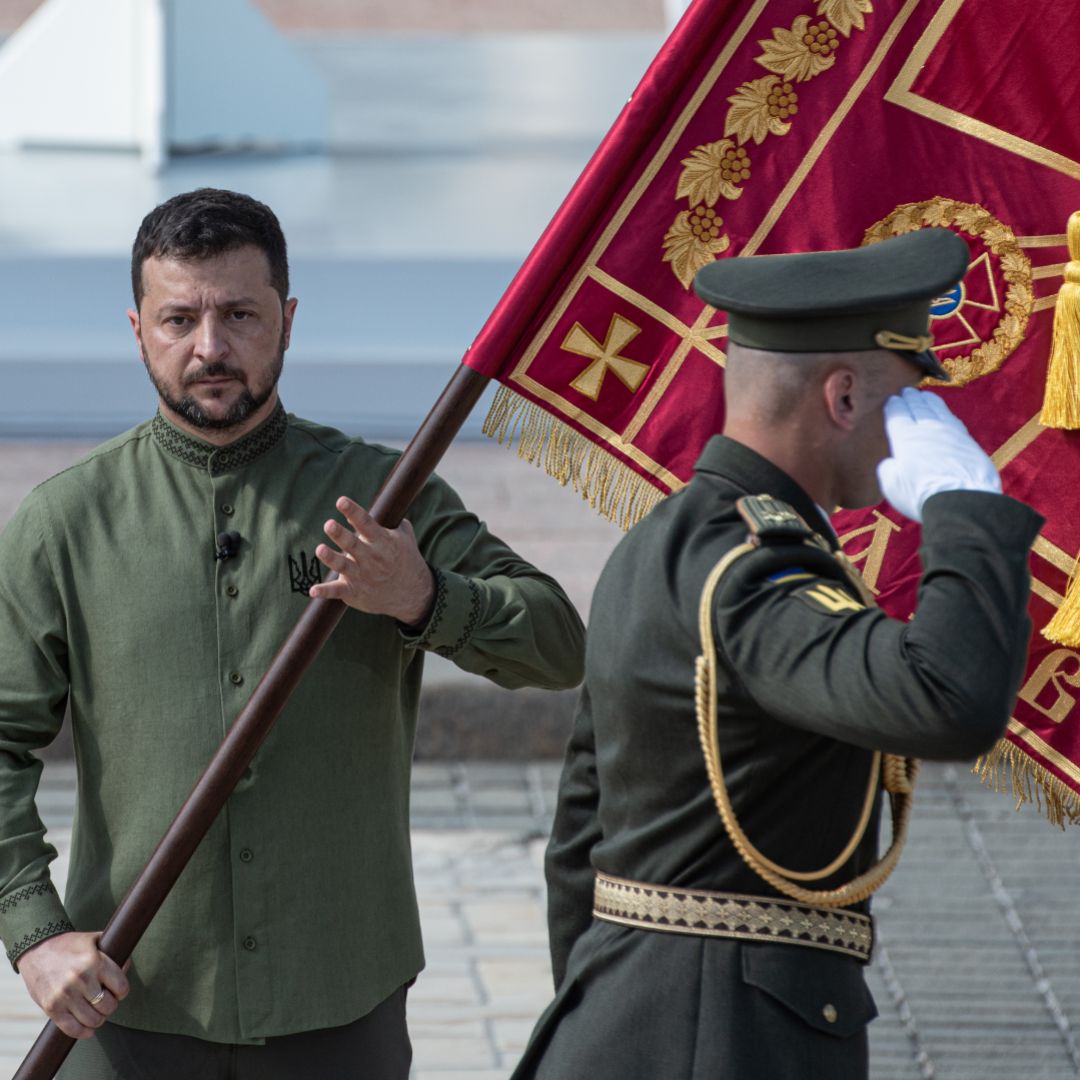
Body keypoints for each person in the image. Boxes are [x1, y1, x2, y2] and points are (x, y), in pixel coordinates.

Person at [0, 188, 586, 1078]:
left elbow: (557, 645)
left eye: (240, 314)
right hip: (131, 1001)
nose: (210, 348)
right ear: (135, 329)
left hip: (339, 1002)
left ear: (288, 319)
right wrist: (35, 933)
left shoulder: (386, 499)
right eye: (179, 319)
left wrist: (425, 596)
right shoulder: (65, 524)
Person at [510, 228, 1043, 1080]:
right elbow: (949, 698)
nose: (922, 427)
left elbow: (583, 829)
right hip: (720, 1041)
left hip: (635, 1022)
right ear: (842, 397)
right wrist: (962, 506)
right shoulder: (756, 578)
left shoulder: (668, 542)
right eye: (910, 402)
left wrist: (607, 1010)